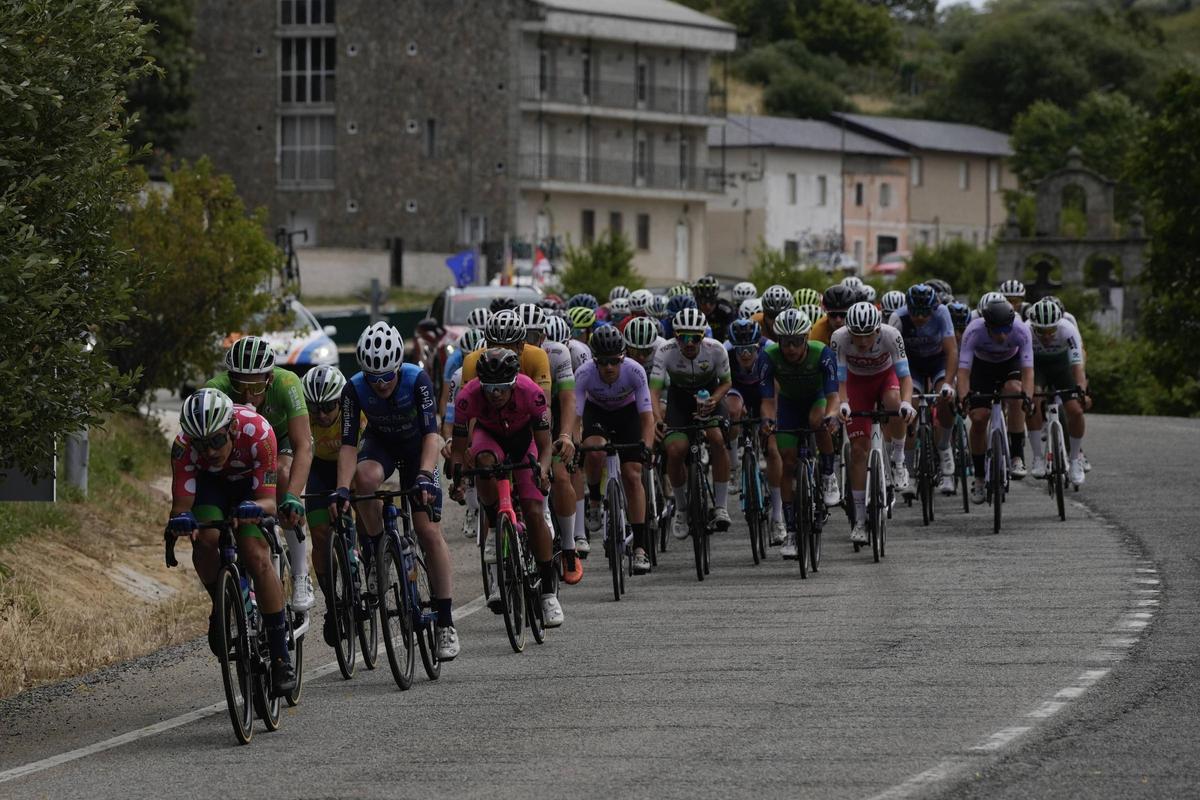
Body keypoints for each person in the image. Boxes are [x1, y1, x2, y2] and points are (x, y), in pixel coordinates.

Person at [334, 322, 459, 660]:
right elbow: (347, 446)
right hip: (382, 446)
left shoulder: (415, 378)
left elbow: (432, 434)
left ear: (397, 367)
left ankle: (446, 622)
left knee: (426, 529)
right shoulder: (354, 389)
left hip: (419, 447)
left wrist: (422, 475)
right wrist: (342, 490)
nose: (381, 384)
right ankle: (377, 550)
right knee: (365, 478)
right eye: (373, 378)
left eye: (386, 377)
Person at [166, 389, 296, 695]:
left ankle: (280, 657)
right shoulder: (183, 447)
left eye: (216, 441)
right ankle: (221, 604)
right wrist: (180, 522)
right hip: (212, 488)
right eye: (201, 443)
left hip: (251, 486)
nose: (209, 450)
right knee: (206, 540)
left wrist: (257, 509)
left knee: (255, 555)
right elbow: (182, 506)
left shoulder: (258, 431)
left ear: (232, 429)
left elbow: (268, 502)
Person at [449, 349, 563, 626]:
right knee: (483, 462)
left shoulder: (531, 392)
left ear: (514, 382)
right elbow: (459, 449)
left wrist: (543, 470)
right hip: (489, 436)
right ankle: (492, 522)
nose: (495, 394)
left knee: (534, 511)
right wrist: (458, 479)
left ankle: (549, 593)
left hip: (525, 440)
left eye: (502, 388)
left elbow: (545, 446)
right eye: (490, 388)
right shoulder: (468, 396)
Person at [205, 336, 314, 614]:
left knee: (281, 471)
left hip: (280, 440)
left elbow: (304, 446)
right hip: (242, 447)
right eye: (239, 385)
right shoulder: (216, 390)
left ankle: (301, 574)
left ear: (269, 377)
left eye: (255, 386)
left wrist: (292, 496)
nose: (246, 395)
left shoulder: (287, 383)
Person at [830, 302, 915, 544]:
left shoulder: (891, 335)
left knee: (894, 402)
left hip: (885, 377)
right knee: (858, 450)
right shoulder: (839, 338)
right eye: (857, 334)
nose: (863, 340)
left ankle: (898, 459)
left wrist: (907, 404)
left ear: (878, 330)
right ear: (849, 332)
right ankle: (858, 520)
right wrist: (843, 403)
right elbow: (840, 380)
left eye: (868, 334)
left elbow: (905, 377)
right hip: (856, 384)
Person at [575, 326, 657, 574]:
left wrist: (647, 447)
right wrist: (576, 443)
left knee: (633, 475)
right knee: (594, 449)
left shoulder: (635, 371)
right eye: (603, 362)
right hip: (597, 413)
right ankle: (595, 501)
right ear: (594, 360)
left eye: (614, 361)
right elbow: (576, 418)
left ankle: (641, 548)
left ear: (623, 358)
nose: (609, 367)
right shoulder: (584, 373)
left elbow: (646, 418)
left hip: (627, 415)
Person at [759, 309, 840, 558]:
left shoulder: (822, 353)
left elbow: (833, 396)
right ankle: (792, 530)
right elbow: (767, 400)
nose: (790, 348)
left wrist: (833, 414)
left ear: (806, 338)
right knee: (787, 460)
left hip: (816, 399)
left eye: (796, 342)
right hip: (789, 403)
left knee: (819, 420)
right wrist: (769, 420)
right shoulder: (769, 356)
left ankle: (828, 474)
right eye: (785, 342)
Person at [650, 308, 734, 536]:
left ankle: (721, 506)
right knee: (676, 450)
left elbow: (726, 382)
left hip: (710, 396)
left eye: (695, 338)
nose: (689, 343)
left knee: (717, 439)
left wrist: (715, 399)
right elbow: (654, 392)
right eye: (683, 337)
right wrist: (657, 420)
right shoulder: (664, 351)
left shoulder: (716, 349)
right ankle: (682, 507)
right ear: (675, 336)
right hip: (680, 399)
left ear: (702, 336)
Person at [516, 303, 582, 584]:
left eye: (535, 335)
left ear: (544, 336)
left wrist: (565, 436)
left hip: (549, 410)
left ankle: (568, 546)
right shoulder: (508, 353)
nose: (529, 342)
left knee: (560, 473)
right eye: (524, 335)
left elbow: (567, 399)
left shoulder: (558, 354)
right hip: (518, 415)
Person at [299, 365, 362, 647]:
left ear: (339, 401)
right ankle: (333, 604)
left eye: (327, 407)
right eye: (314, 408)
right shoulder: (305, 419)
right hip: (321, 468)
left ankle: (366, 559)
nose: (321, 415)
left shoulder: (355, 412)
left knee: (363, 510)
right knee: (321, 535)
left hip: (353, 464)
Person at [956, 298, 1035, 503]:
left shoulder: (1020, 329)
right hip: (982, 368)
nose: (1001, 335)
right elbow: (963, 371)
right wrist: (963, 397)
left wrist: (1028, 397)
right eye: (996, 330)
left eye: (1005, 330)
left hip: (1010, 363)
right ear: (986, 325)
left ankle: (1017, 456)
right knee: (979, 418)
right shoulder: (974, 331)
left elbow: (1028, 371)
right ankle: (980, 477)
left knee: (1015, 392)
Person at [889, 284, 958, 495]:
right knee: (910, 409)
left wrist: (947, 382)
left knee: (946, 398)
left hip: (938, 361)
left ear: (933, 308)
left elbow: (952, 350)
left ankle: (944, 448)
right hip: (911, 366)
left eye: (924, 312)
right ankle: (908, 473)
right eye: (914, 312)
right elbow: (891, 357)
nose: (919, 317)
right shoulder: (898, 318)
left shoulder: (942, 312)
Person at [725, 318, 786, 543]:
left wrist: (770, 420)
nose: (745, 354)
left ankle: (778, 516)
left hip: (764, 390)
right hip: (738, 389)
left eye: (750, 349)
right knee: (732, 410)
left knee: (772, 447)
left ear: (757, 345)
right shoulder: (725, 350)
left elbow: (777, 388)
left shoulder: (770, 349)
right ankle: (734, 467)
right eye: (740, 349)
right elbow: (721, 381)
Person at [1026, 299, 1090, 485]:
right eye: (1041, 331)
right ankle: (1038, 456)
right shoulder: (1025, 330)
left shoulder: (1067, 329)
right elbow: (1026, 369)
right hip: (1036, 367)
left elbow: (1077, 366)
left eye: (1051, 331)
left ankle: (1075, 459)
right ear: (1033, 326)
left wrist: (1081, 391)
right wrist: (1028, 395)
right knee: (1033, 402)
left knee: (1076, 411)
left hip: (1061, 366)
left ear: (1058, 325)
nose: (1046, 336)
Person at [438, 329, 487, 540]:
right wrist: (449, 441)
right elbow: (449, 416)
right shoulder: (458, 375)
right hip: (469, 419)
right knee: (463, 443)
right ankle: (471, 503)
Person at [692, 275, 737, 342]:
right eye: (703, 301)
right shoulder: (692, 310)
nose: (708, 306)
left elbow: (733, 334)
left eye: (712, 301)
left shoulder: (726, 310)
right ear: (697, 300)